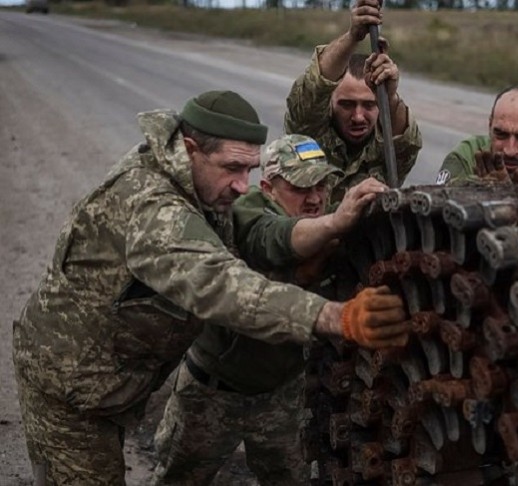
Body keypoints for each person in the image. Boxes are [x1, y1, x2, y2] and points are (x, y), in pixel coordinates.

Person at [12, 90, 410, 485]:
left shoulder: (199, 189)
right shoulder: (154, 209)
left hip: (111, 383)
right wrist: (335, 315)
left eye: (249, 171)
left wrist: (334, 227)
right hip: (69, 389)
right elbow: (218, 284)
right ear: (190, 149)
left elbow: (263, 234)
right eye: (232, 168)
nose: (242, 186)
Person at [152, 134, 376, 485]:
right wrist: (333, 226)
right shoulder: (244, 213)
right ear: (268, 187)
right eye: (301, 187)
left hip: (280, 395)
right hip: (213, 393)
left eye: (321, 184)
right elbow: (273, 238)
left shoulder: (320, 226)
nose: (316, 198)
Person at [284, 0, 422, 202]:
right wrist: (353, 37)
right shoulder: (311, 135)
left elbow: (405, 143)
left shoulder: (387, 151)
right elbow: (310, 94)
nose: (358, 117)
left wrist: (389, 96)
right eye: (346, 104)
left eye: (369, 105)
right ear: (330, 102)